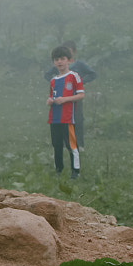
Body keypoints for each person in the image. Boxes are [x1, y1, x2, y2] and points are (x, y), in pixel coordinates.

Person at [43, 40, 96, 147]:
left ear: (74, 52)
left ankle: (79, 144)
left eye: (69, 52)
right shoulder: (59, 65)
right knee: (61, 120)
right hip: (61, 96)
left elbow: (92, 74)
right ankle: (63, 142)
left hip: (75, 95)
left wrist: (81, 81)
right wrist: (55, 82)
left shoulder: (79, 65)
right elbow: (48, 75)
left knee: (77, 119)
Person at [47, 45, 85, 179]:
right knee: (56, 145)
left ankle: (76, 171)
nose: (59, 62)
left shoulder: (74, 76)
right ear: (53, 62)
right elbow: (52, 96)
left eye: (62, 59)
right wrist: (50, 100)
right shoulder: (53, 80)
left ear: (69, 60)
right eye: (57, 59)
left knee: (71, 145)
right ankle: (58, 169)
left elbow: (81, 95)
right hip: (54, 118)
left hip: (68, 117)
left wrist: (65, 100)